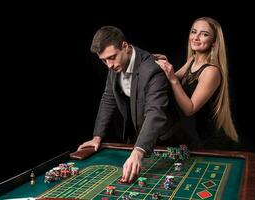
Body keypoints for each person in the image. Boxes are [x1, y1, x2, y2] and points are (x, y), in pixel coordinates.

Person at [77, 26, 186, 183]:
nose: (109, 65)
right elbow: (109, 98)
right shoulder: (113, 65)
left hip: (166, 140)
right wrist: (97, 136)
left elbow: (155, 112)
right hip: (138, 135)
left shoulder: (152, 69)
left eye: (112, 57)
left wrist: (138, 151)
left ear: (125, 47)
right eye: (103, 60)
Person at [154, 17, 238, 150]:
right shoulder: (192, 61)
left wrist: (172, 78)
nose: (196, 37)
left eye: (204, 34)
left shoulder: (211, 71)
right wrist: (159, 62)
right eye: (194, 32)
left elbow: (190, 109)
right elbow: (169, 83)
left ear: (214, 42)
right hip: (197, 139)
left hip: (214, 142)